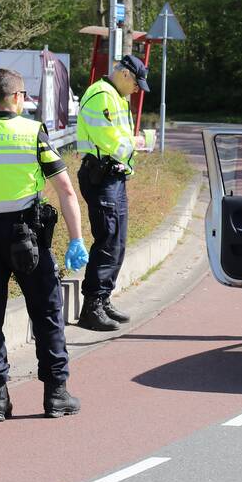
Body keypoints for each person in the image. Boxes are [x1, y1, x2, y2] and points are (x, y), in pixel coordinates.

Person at [0, 68, 89, 422]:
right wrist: (76, 238)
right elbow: (66, 190)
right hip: (28, 236)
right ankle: (55, 393)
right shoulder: (32, 134)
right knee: (46, 312)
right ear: (18, 98)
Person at [75, 54, 154, 331]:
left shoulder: (116, 96)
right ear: (124, 75)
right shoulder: (101, 95)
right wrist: (140, 142)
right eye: (136, 84)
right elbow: (110, 141)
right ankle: (92, 307)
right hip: (101, 175)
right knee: (107, 240)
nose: (136, 90)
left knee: (117, 241)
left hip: (114, 176)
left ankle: (104, 298)